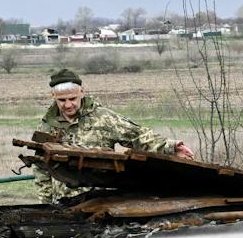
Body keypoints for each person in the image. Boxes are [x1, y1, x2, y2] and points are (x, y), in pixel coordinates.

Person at [33, 69, 193, 200]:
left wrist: (172, 147)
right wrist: (46, 203)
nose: (68, 105)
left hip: (98, 201)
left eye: (73, 98)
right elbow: (41, 167)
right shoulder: (47, 125)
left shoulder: (103, 118)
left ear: (82, 92)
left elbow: (138, 136)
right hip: (63, 203)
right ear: (53, 97)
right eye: (62, 100)